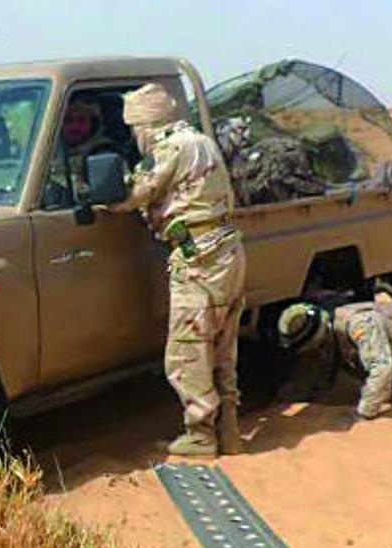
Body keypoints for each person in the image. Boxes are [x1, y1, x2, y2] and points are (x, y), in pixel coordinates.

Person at [109, 83, 246, 456]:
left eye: (133, 127)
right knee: (221, 346)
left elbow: (132, 196)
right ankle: (229, 429)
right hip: (224, 249)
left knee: (186, 350)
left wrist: (104, 189)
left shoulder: (169, 147)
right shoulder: (199, 140)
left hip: (198, 257)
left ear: (145, 124)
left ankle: (201, 434)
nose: (134, 135)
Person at [44, 101, 127, 208]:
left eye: (82, 120)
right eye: (68, 120)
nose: (75, 126)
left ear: (92, 124)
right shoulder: (44, 153)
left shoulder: (103, 152)